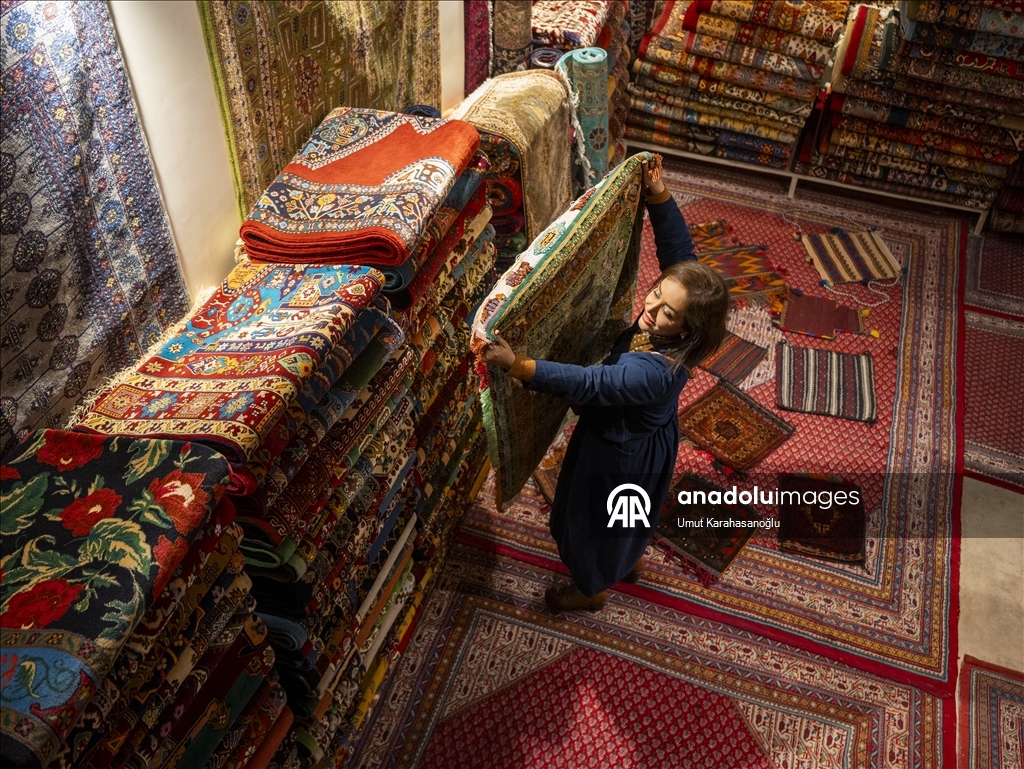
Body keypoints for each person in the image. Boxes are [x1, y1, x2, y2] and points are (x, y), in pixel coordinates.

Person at [481, 154, 729, 611]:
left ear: (687, 330)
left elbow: (592, 384)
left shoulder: (652, 372)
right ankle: (625, 562)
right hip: (639, 445)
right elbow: (680, 255)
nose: (651, 308)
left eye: (667, 313)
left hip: (616, 452)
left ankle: (591, 588)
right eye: (657, 294)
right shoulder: (676, 324)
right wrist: (659, 194)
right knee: (626, 518)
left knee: (592, 521)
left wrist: (519, 365)